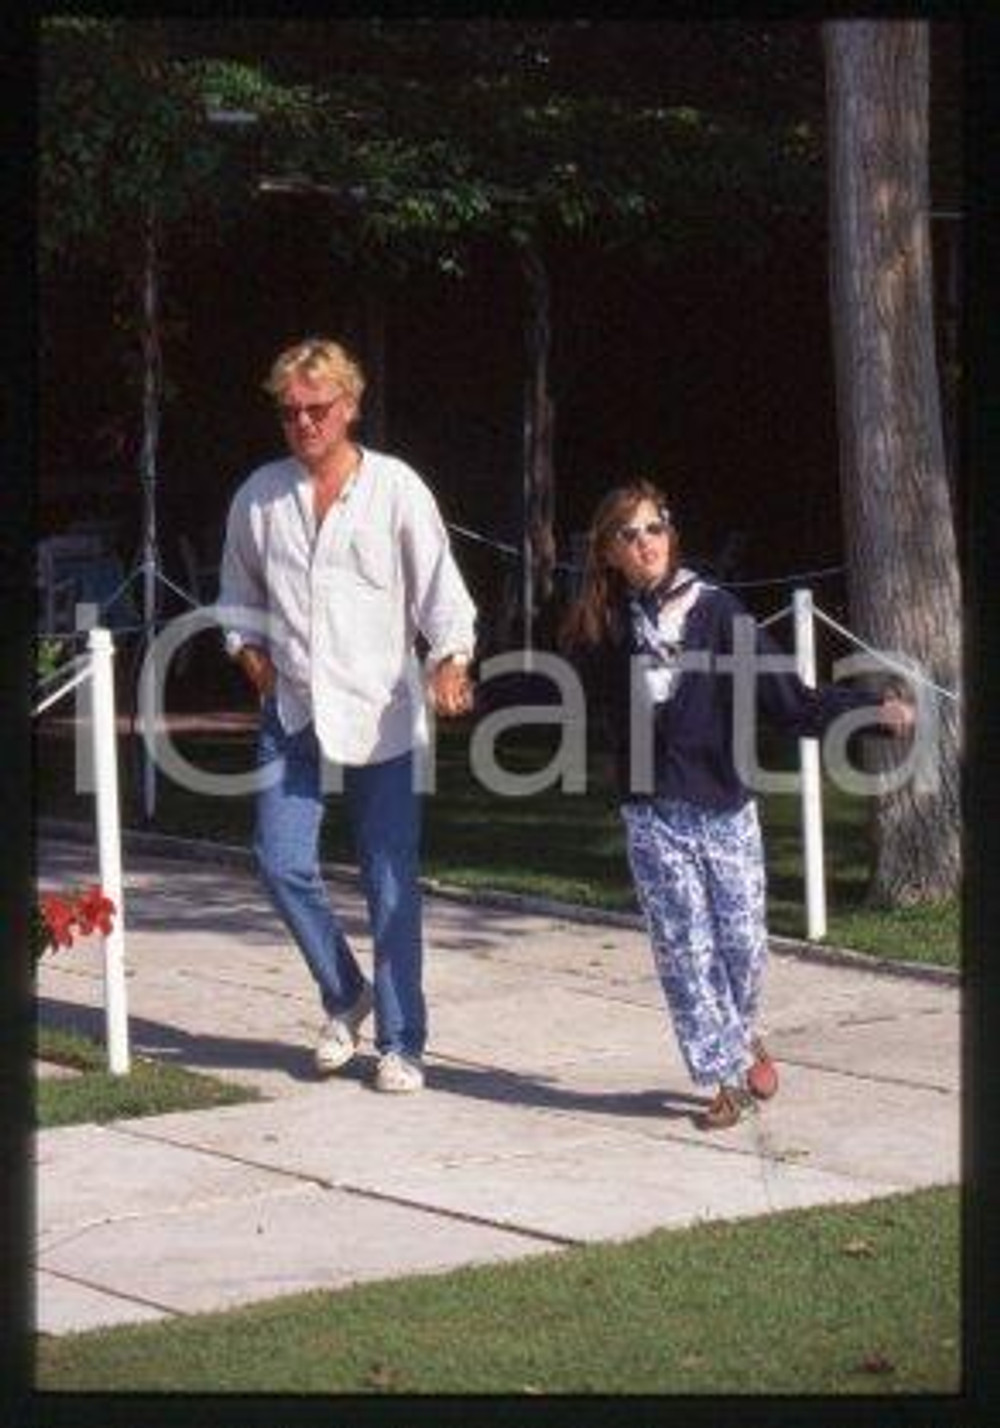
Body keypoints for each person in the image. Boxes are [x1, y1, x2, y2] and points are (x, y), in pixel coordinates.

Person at [562, 480, 913, 1130]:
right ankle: (723, 1080)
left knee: (744, 948)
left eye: (654, 527)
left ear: (672, 534)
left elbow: (791, 701)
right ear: (608, 552)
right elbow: (553, 692)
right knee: (686, 953)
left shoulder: (719, 613)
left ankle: (743, 1032)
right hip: (652, 814)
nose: (645, 543)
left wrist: (874, 712)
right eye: (628, 534)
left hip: (724, 807)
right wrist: (467, 689)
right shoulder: (605, 628)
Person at [219, 337, 476, 1093]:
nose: (303, 422)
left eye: (317, 409)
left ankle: (403, 1042)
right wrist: (251, 657)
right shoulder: (259, 497)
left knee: (390, 879)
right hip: (291, 707)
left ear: (350, 406)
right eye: (290, 411)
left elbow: (441, 594)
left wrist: (451, 660)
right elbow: (237, 597)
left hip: (383, 712)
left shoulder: (397, 488)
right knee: (277, 858)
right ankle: (345, 992)